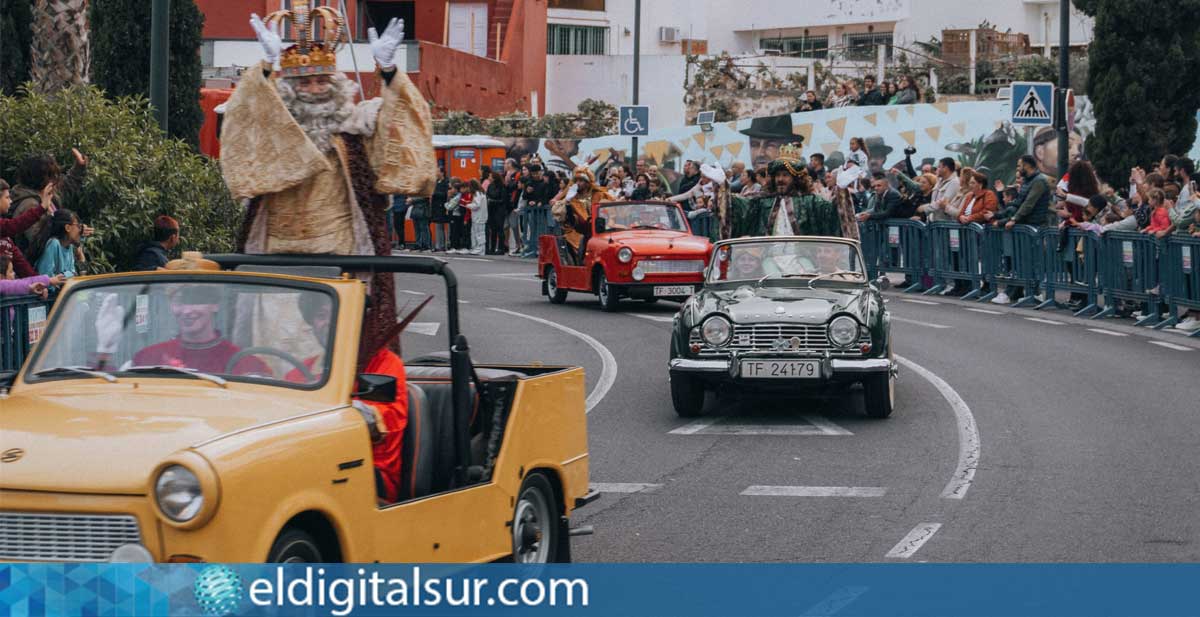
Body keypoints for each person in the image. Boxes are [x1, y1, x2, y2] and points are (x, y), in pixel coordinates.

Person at [222, 6, 435, 363]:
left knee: (339, 352)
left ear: (334, 84)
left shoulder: (355, 127)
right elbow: (243, 119)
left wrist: (389, 71)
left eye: (321, 81)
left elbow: (399, 143)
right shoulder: (273, 127)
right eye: (304, 82)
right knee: (272, 352)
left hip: (342, 255)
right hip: (277, 257)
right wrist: (266, 67)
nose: (314, 89)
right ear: (288, 88)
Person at [287, 294, 408, 504]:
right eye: (321, 316)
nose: (328, 323)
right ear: (312, 323)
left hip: (370, 469)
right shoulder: (304, 369)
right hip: (311, 462)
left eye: (337, 315)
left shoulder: (385, 364)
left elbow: (386, 419)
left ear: (357, 321)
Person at [101, 285, 273, 376]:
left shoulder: (247, 364)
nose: (186, 311)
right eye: (179, 302)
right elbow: (114, 401)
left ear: (215, 305)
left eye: (195, 301)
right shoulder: (148, 357)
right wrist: (105, 350)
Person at [728, 141, 844, 239]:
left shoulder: (810, 201)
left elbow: (832, 214)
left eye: (785, 175)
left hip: (802, 257)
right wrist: (721, 186)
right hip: (767, 257)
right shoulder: (763, 201)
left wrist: (842, 191)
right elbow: (740, 207)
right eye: (777, 175)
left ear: (796, 179)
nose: (780, 179)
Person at [4, 150, 87, 258]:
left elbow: (66, 187)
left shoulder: (44, 193)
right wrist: (71, 231)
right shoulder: (28, 204)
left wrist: (79, 168)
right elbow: (40, 243)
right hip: (39, 270)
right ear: (41, 178)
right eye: (52, 175)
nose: (56, 179)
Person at [552, 166, 606, 263]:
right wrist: (567, 202)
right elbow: (559, 213)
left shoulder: (597, 194)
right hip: (575, 230)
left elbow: (609, 208)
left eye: (581, 181)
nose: (578, 183)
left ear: (587, 183)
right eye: (577, 181)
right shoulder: (572, 196)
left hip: (595, 229)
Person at [35, 209, 85, 282]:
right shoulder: (53, 244)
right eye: (78, 226)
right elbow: (46, 277)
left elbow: (73, 273)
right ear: (67, 228)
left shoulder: (69, 246)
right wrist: (68, 275)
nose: (80, 231)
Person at [484, 169, 508, 254]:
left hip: (499, 210)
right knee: (493, 229)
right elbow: (487, 195)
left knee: (500, 229)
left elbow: (503, 199)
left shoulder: (502, 186)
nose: (489, 177)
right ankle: (492, 248)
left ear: (494, 178)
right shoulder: (490, 186)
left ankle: (501, 248)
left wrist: (493, 201)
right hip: (491, 209)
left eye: (490, 176)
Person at [430, 169, 451, 252]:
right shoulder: (436, 182)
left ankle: (443, 245)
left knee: (442, 226)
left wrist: (434, 193)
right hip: (436, 207)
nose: (436, 173)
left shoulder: (446, 182)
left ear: (442, 173)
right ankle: (438, 244)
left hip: (442, 207)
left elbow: (445, 194)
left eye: (438, 171)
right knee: (438, 226)